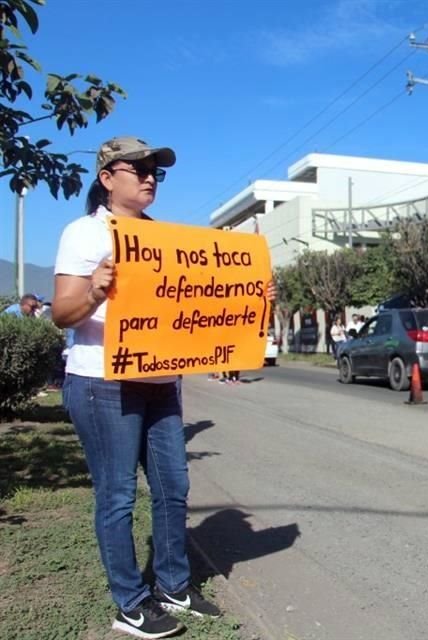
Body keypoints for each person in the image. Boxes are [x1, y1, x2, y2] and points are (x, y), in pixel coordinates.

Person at [51, 136, 275, 639]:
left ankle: (174, 585)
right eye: (140, 168)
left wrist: (254, 296)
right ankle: (130, 603)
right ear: (108, 178)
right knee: (117, 496)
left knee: (173, 487)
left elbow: (196, 309)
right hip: (103, 382)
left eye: (157, 170)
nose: (150, 176)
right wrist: (93, 290)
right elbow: (62, 313)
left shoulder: (168, 241)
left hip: (159, 381)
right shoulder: (84, 233)